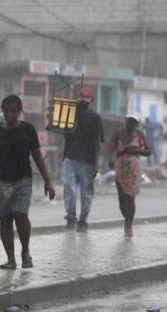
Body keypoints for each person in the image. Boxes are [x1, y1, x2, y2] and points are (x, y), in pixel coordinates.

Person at [0, 94, 55, 270]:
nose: (10, 115)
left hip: (22, 180)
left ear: (20, 112)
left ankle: (25, 252)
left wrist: (48, 181)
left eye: (13, 111)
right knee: (5, 220)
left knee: (21, 215)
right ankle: (10, 259)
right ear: (2, 112)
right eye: (6, 111)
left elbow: (38, 157)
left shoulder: (28, 130)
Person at [61, 85, 104, 232]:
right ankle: (71, 218)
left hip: (87, 160)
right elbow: (60, 129)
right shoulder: (69, 114)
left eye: (86, 99)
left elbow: (97, 142)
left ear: (90, 100)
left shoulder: (95, 118)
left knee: (86, 192)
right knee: (69, 188)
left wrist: (96, 164)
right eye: (82, 99)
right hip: (69, 157)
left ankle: (83, 220)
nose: (83, 102)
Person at [108, 113, 151, 237]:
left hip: (133, 170)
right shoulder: (118, 134)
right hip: (120, 168)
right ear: (126, 121)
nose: (131, 123)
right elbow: (110, 147)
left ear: (137, 124)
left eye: (134, 121)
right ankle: (127, 220)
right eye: (129, 120)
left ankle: (128, 226)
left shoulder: (139, 135)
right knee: (121, 198)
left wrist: (136, 150)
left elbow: (149, 151)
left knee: (130, 198)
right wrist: (110, 159)